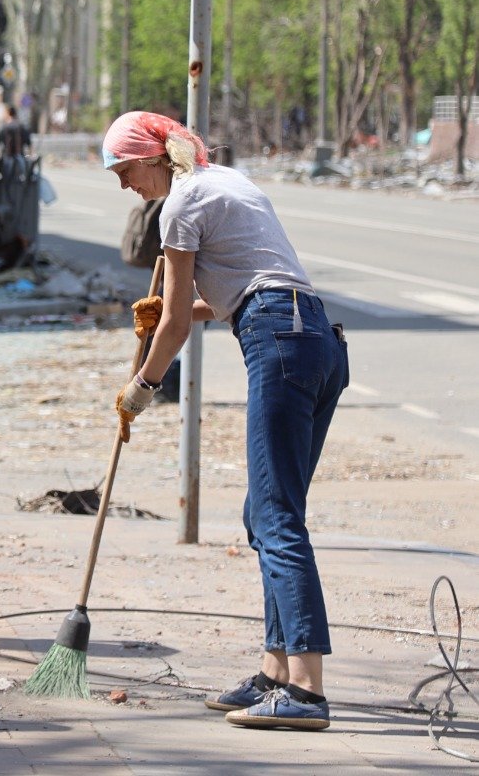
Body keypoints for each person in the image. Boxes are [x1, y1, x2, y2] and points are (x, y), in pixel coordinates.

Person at [104, 110, 349, 732]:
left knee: (276, 517)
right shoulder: (228, 182)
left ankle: (307, 689)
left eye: (125, 169)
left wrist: (141, 387)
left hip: (280, 340)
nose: (124, 184)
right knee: (263, 511)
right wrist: (173, 310)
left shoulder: (181, 205)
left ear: (153, 158)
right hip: (315, 337)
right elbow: (241, 289)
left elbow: (179, 324)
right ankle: (274, 670)